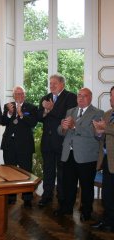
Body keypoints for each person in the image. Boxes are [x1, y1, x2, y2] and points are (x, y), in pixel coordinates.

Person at [54, 88, 104, 221]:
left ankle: (86, 211)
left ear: (90, 97)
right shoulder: (71, 111)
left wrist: (75, 126)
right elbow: (60, 130)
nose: (80, 98)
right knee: (68, 184)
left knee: (86, 186)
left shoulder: (98, 113)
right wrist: (63, 127)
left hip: (86, 156)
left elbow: (95, 133)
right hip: (68, 153)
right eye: (79, 96)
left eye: (84, 96)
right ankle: (67, 208)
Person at [38, 73, 77, 207]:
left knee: (62, 172)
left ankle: (62, 198)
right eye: (50, 83)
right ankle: (46, 196)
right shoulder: (45, 98)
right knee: (48, 171)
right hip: (47, 142)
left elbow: (66, 116)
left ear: (62, 84)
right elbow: (39, 117)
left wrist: (51, 109)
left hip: (62, 141)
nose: (52, 85)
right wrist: (45, 112)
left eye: (55, 83)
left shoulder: (71, 97)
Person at [1, 86, 38, 208]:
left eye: (21, 93)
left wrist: (21, 114)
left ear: (25, 95)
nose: (19, 95)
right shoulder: (8, 106)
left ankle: (27, 198)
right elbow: (3, 122)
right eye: (17, 94)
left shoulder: (32, 107)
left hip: (24, 145)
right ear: (13, 95)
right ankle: (11, 197)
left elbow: (33, 123)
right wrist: (9, 113)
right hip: (9, 144)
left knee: (26, 172)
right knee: (9, 172)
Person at [91, 86, 114, 232]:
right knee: (107, 195)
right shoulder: (107, 114)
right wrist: (98, 132)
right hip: (106, 160)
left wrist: (105, 128)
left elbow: (108, 129)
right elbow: (99, 136)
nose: (111, 99)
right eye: (111, 96)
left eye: (113, 96)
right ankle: (107, 220)